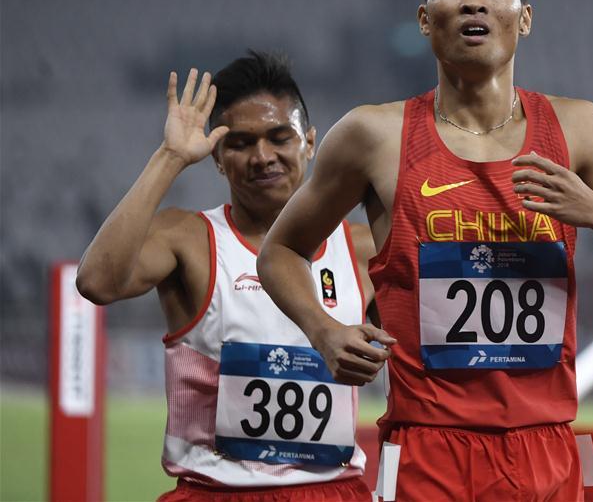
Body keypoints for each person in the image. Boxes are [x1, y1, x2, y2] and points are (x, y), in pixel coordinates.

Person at [256, 0, 593, 501]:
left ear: (525, 17)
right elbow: (279, 251)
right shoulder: (372, 136)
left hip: (547, 448)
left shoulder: (581, 131)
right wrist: (324, 331)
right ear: (425, 19)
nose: (474, 2)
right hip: (428, 449)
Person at [76, 52, 375, 501]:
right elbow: (96, 281)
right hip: (216, 490)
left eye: (280, 137)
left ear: (310, 143)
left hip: (332, 489)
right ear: (217, 156)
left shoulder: (361, 248)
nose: (262, 157)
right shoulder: (189, 239)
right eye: (240, 143)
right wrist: (170, 156)